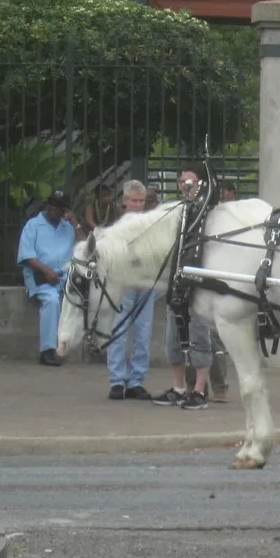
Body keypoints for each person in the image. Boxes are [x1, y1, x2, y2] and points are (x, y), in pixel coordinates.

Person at [153, 167, 214, 410]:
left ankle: (199, 390)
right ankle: (178, 388)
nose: (184, 186)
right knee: (173, 339)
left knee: (199, 336)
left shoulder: (207, 210)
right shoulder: (178, 210)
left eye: (189, 182)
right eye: (181, 182)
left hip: (198, 283)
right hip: (176, 281)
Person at [105, 181, 156, 401]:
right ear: (125, 202)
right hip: (124, 282)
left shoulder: (151, 224)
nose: (137, 205)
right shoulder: (117, 227)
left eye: (141, 201)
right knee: (119, 330)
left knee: (143, 333)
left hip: (145, 282)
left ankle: (136, 380)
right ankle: (117, 380)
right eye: (133, 201)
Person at [16, 189, 77, 367]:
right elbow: (27, 256)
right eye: (51, 204)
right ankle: (47, 351)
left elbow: (85, 246)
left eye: (59, 207)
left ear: (65, 211)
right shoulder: (33, 225)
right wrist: (47, 271)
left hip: (65, 277)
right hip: (40, 275)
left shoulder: (68, 227)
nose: (53, 208)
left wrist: (75, 224)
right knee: (52, 301)